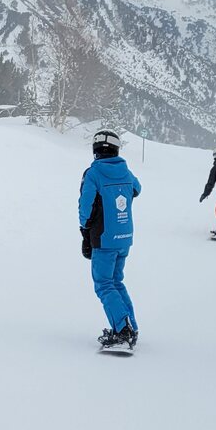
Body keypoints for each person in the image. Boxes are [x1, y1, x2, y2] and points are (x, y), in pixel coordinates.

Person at [80, 130, 140, 348]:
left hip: (104, 238)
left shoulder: (93, 173)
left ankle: (123, 330)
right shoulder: (125, 170)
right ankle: (129, 325)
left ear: (95, 150)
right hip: (124, 237)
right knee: (116, 282)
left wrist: (84, 229)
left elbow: (85, 207)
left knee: (104, 284)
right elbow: (137, 189)